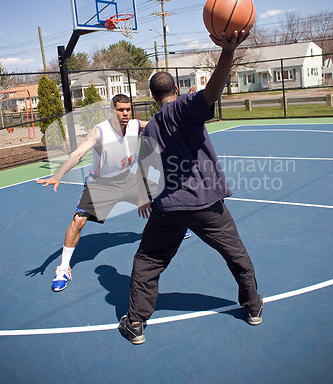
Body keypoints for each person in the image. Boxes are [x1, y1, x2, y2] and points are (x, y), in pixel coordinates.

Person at [119, 31, 263, 345]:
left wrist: (146, 198)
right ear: (176, 88)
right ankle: (252, 306)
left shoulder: (151, 126)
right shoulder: (185, 108)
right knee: (235, 254)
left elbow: (148, 173)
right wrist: (228, 50)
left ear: (153, 95)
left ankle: (136, 321)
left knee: (149, 260)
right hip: (206, 204)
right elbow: (214, 88)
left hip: (168, 208)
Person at [36, 95, 152, 291]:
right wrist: (58, 175)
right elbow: (77, 154)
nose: (125, 113)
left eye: (128, 109)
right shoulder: (99, 132)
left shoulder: (135, 125)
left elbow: (162, 121)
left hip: (126, 178)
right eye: (120, 109)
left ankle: (176, 227)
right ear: (111, 111)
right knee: (78, 221)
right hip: (101, 184)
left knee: (159, 197)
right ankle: (63, 268)